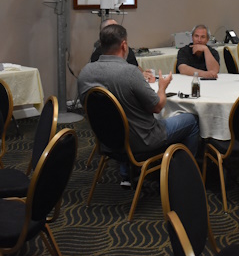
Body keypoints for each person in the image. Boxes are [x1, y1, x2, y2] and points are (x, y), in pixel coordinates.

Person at [78, 23, 200, 184]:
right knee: (192, 120)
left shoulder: (85, 72)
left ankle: (130, 172)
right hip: (142, 140)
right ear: (124, 45)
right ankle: (183, 177)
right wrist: (162, 88)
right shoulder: (129, 73)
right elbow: (157, 105)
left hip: (107, 141)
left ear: (101, 45)